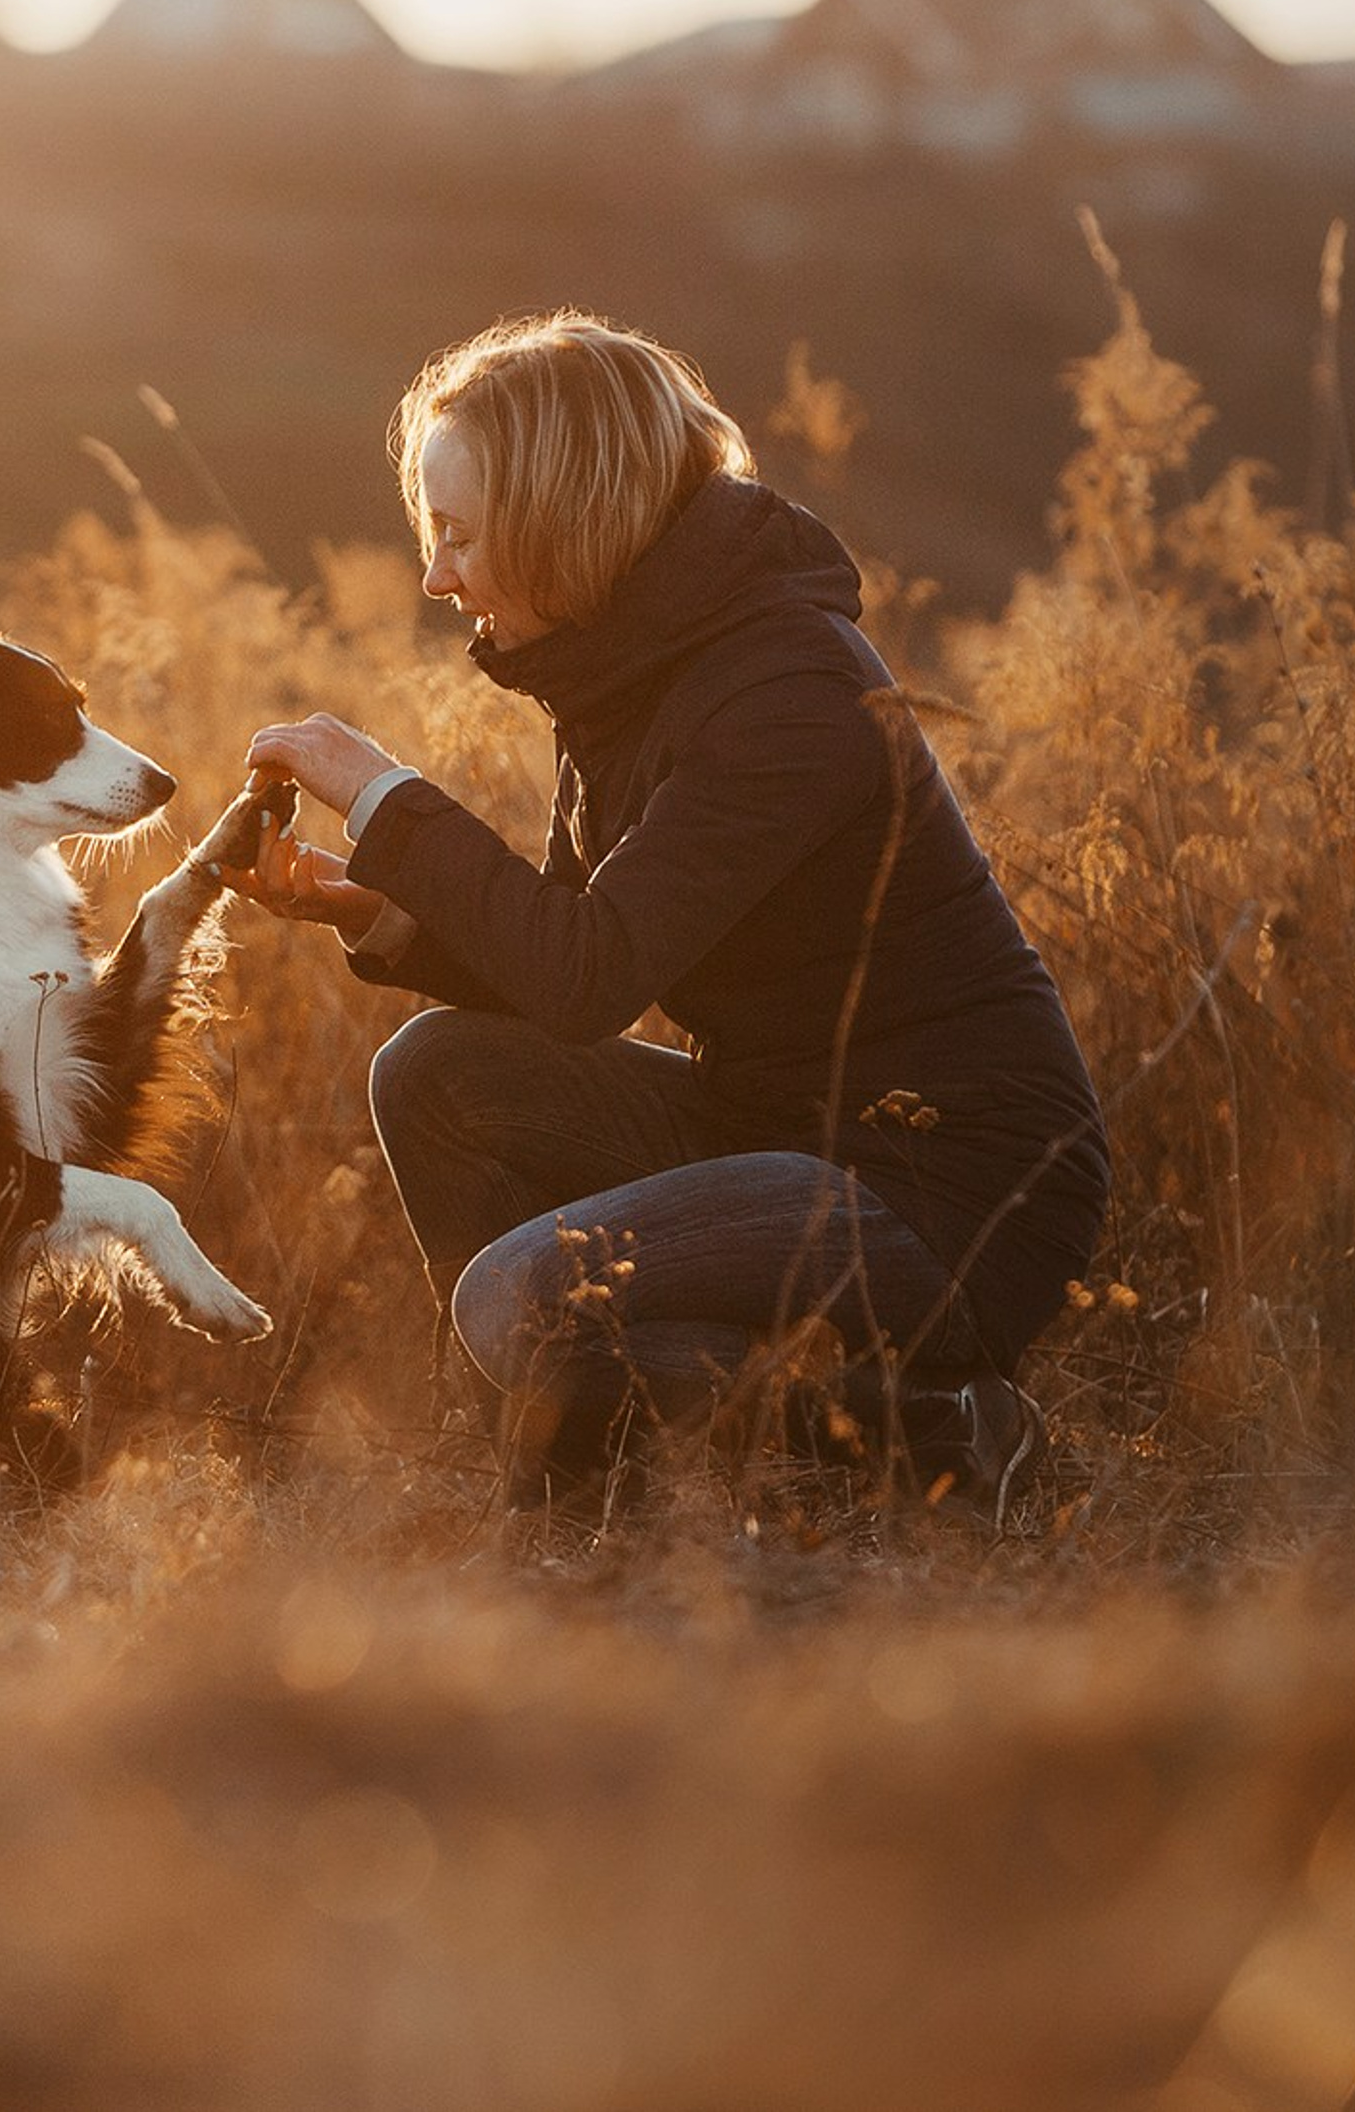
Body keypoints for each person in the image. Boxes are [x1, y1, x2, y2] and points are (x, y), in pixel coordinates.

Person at [228, 310, 1109, 1515]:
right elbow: (573, 956)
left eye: (457, 535)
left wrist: (383, 795)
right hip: (780, 1136)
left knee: (513, 1301)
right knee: (434, 1070)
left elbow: (586, 975)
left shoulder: (789, 686)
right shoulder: (625, 662)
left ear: (559, 518)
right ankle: (583, 1461)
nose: (435, 575)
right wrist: (374, 911)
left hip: (944, 1189)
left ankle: (937, 1429)